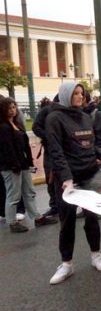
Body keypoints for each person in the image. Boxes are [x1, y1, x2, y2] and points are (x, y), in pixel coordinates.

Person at [45, 82, 101, 285]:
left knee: (92, 218)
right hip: (66, 179)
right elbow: (56, 152)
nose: (80, 97)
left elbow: (90, 146)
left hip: (89, 175)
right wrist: (66, 178)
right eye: (75, 93)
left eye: (81, 93)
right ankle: (66, 263)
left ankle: (96, 254)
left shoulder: (84, 116)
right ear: (65, 95)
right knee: (67, 221)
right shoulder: (54, 118)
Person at [0, 98, 58, 232]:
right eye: (9, 108)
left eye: (14, 107)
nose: (13, 110)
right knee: (13, 195)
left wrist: (29, 163)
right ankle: (12, 222)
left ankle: (37, 217)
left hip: (22, 165)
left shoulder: (16, 124)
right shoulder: (3, 127)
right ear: (3, 110)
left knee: (29, 192)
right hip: (11, 167)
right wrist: (15, 165)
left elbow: (23, 146)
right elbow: (6, 150)